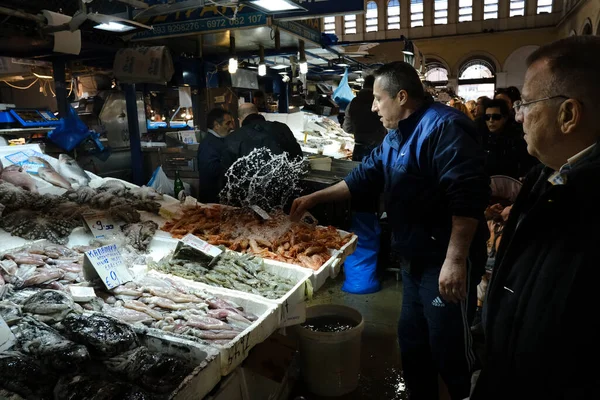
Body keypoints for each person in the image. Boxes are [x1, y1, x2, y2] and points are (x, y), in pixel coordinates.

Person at [290, 61, 490, 400]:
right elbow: (363, 177)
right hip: (413, 255)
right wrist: (312, 198)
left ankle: (464, 393)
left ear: (401, 96)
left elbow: (467, 198)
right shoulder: (396, 134)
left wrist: (455, 261)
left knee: (448, 342)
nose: (372, 107)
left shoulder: (445, 127)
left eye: (378, 99)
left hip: (444, 258)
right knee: (411, 340)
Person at [471, 36, 600, 400]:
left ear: (569, 115)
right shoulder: (549, 172)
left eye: (527, 103)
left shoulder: (586, 202)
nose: (519, 114)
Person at [220, 103, 302, 175]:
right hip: (283, 185)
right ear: (257, 113)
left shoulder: (232, 138)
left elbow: (227, 172)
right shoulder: (281, 128)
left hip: (250, 190)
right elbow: (298, 157)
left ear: (240, 120)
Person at [481, 99, 538, 178]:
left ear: (505, 118)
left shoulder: (517, 139)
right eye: (487, 117)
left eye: (496, 117)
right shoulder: (482, 137)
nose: (491, 120)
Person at [342, 74, 387, 162]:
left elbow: (347, 128)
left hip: (359, 147)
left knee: (358, 174)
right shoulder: (381, 103)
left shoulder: (353, 103)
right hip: (378, 148)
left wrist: (358, 129)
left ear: (364, 85)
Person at [197, 108, 234, 203]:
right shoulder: (208, 144)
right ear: (216, 125)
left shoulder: (220, 140)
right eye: (228, 123)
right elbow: (210, 171)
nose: (232, 126)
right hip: (213, 199)